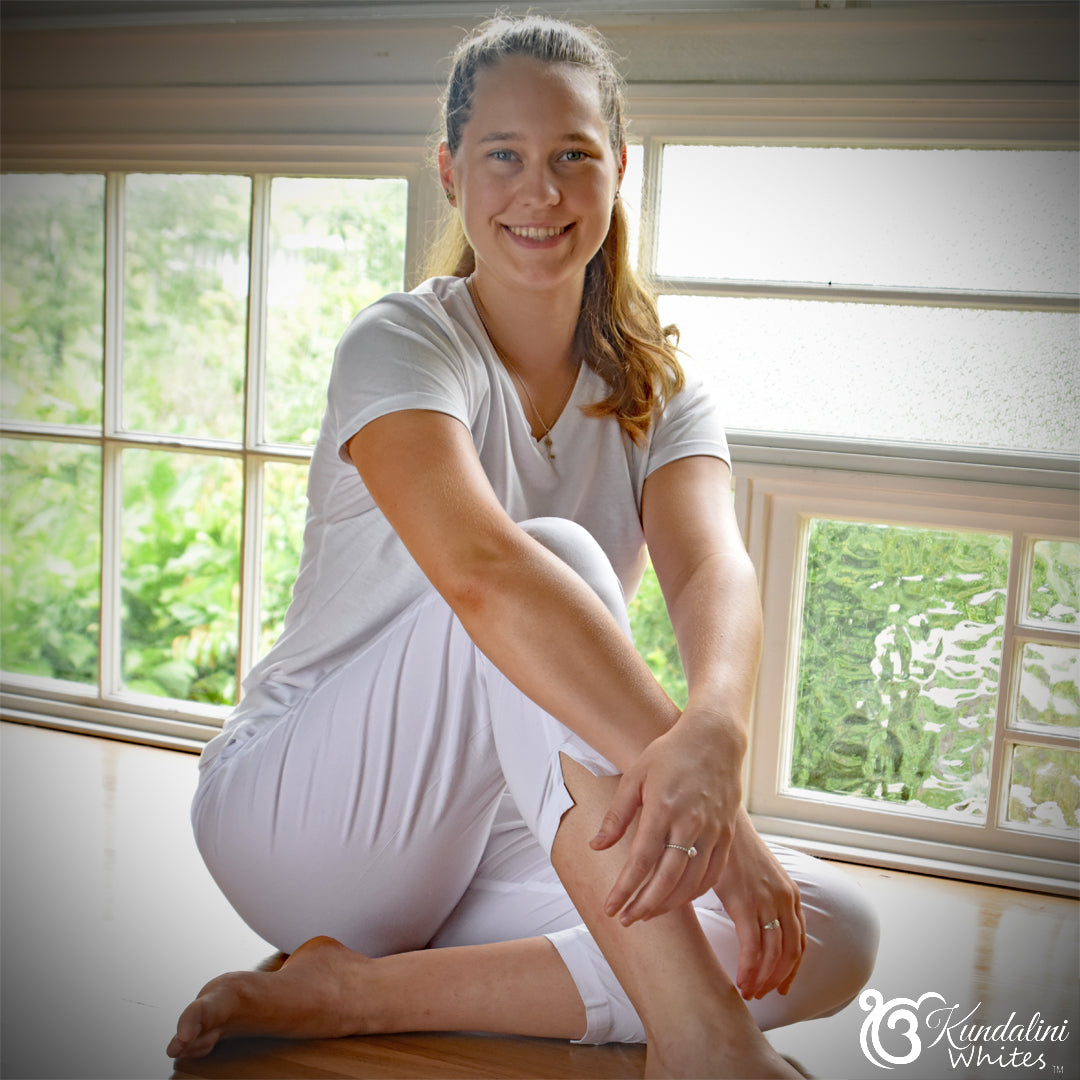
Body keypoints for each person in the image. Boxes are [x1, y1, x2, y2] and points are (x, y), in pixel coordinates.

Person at [167, 14, 878, 1078]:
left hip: (494, 827)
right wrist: (722, 834)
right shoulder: (402, 343)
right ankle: (698, 1040)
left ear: (617, 171)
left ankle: (350, 993)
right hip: (303, 817)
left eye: (572, 157)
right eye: (503, 156)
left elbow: (709, 568)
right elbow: (487, 578)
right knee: (552, 560)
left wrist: (718, 735)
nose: (538, 192)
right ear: (451, 174)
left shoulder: (661, 393)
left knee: (823, 929)